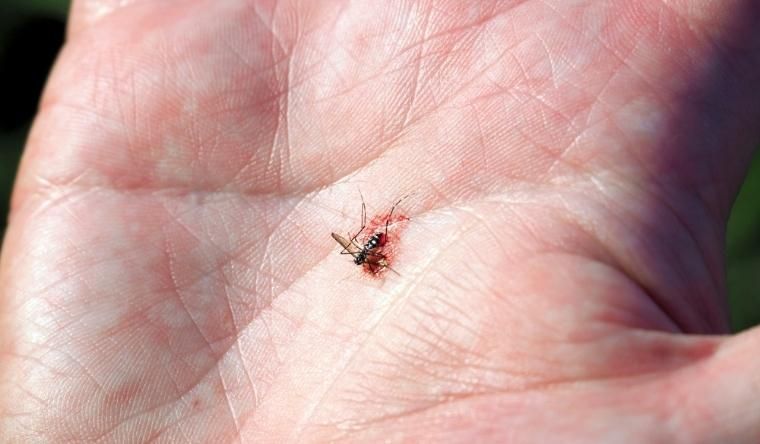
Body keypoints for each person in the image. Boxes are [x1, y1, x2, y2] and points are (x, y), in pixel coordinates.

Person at [2, 1, 759, 442]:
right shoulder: (369, 248)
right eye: (370, 252)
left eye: (371, 250)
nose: (372, 251)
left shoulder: (369, 243)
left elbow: (361, 241)